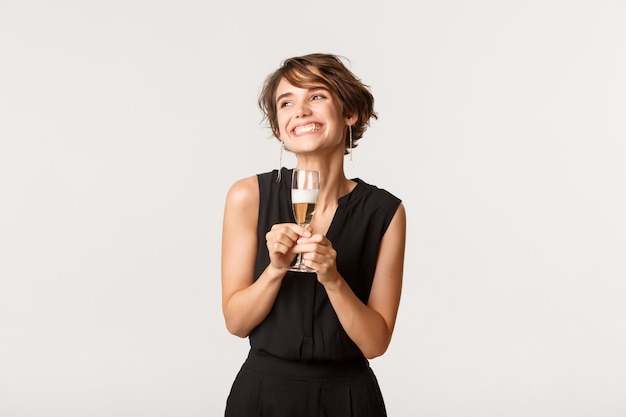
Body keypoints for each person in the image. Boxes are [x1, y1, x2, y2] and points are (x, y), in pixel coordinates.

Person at [221, 53, 406, 417]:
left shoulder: (385, 212)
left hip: (348, 400)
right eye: (286, 103)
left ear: (349, 112)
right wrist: (275, 269)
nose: (300, 111)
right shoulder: (247, 197)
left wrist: (333, 279)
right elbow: (236, 323)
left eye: (316, 96)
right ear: (278, 127)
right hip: (262, 396)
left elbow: (375, 343)